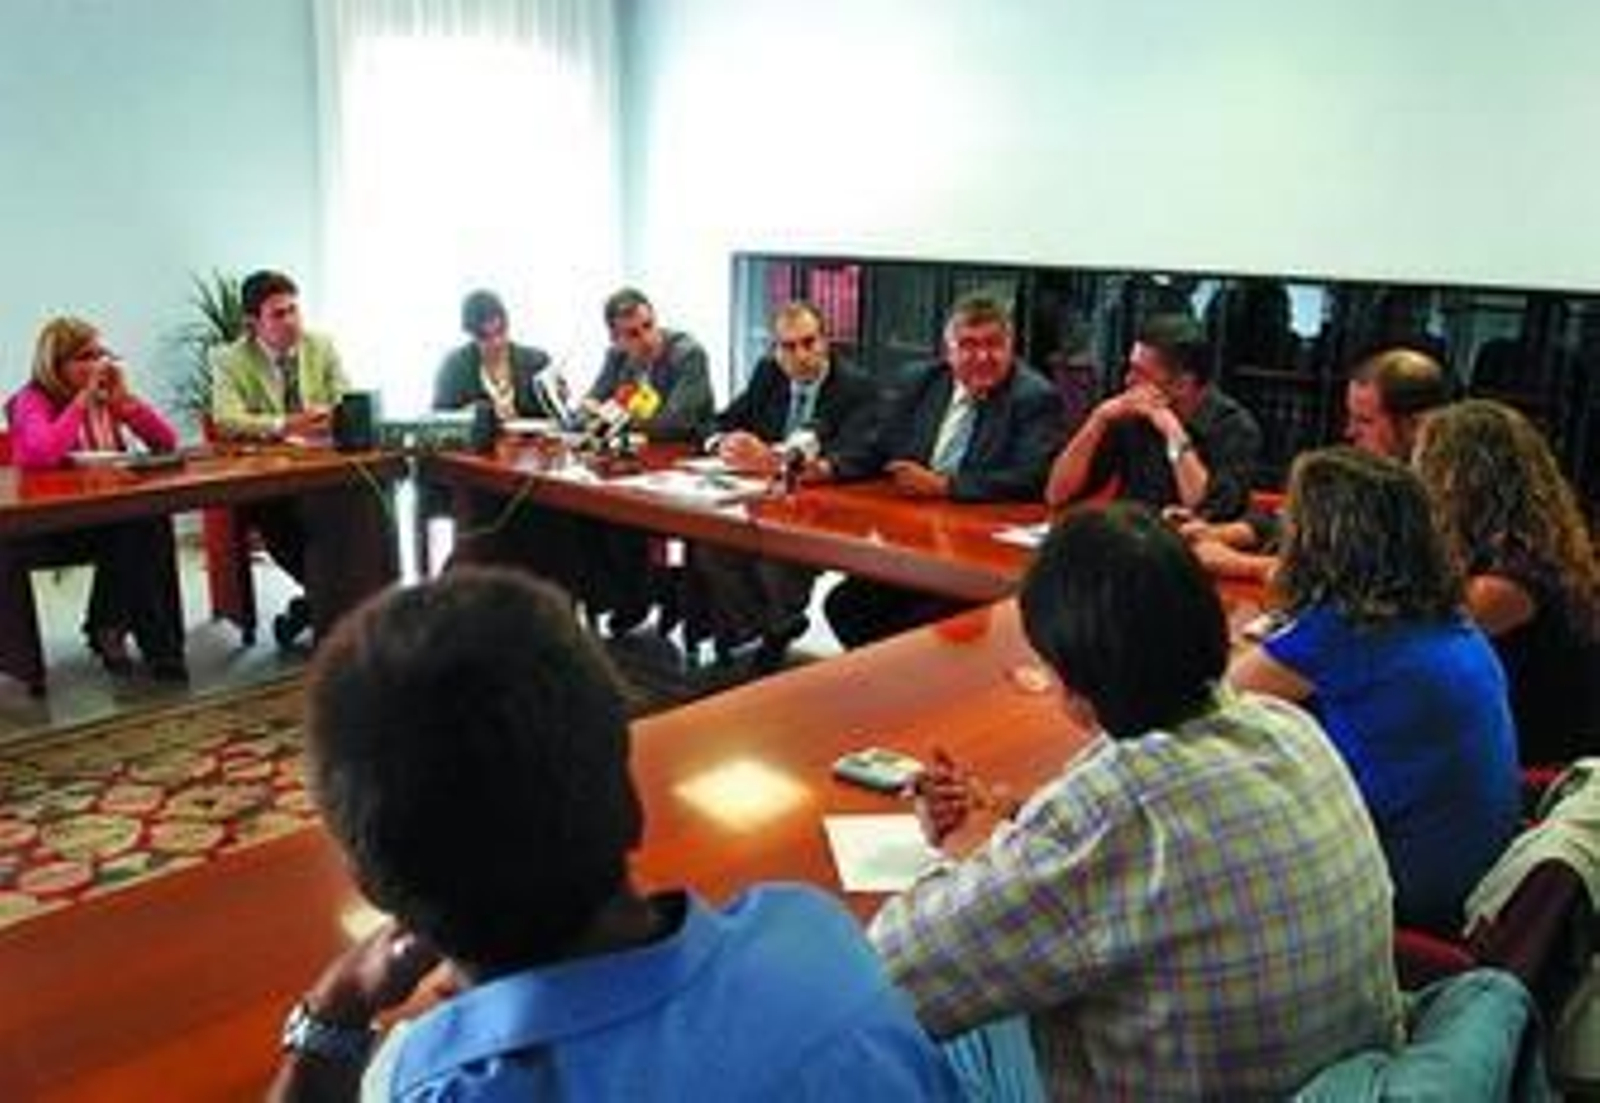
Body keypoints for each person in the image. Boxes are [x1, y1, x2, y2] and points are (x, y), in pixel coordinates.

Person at [269, 568, 957, 1102]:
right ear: (632, 799)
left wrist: (338, 1005)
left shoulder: (434, 1082)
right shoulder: (815, 936)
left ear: (373, 886)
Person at [868, 504, 1403, 1098]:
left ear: (1069, 683)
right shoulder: (1290, 728)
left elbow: (889, 973)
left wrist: (964, 858)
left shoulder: (1114, 807)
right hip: (1345, 1076)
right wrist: (990, 837)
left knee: (922, 1025)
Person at [1227, 447, 1520, 932]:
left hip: (1407, 902)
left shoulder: (1346, 633)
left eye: (1292, 523)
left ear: (1318, 542)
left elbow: (1212, 697)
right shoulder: (1443, 616)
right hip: (1475, 872)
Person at [823, 292, 1065, 648]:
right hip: (913, 535)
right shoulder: (919, 381)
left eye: (994, 344)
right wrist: (825, 468)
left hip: (979, 551)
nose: (982, 356)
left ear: (1011, 345)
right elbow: (877, 444)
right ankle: (891, 690)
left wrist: (946, 486)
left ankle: (916, 690)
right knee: (845, 605)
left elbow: (1033, 477)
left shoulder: (1033, 397)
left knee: (921, 627)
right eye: (968, 345)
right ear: (947, 350)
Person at [692, 301, 878, 670]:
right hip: (761, 497)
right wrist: (722, 444)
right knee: (712, 546)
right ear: (776, 351)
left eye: (809, 342)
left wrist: (778, 462)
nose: (801, 355)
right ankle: (774, 626)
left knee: (776, 561)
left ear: (826, 342)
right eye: (788, 347)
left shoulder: (856, 387)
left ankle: (773, 631)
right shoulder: (768, 374)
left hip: (824, 505)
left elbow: (857, 457)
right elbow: (719, 420)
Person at [1415, 399, 1600, 765]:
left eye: (1423, 470)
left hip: (1534, 776)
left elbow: (1400, 639)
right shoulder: (1532, 554)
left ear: (1456, 482)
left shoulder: (1510, 583)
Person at [3, 317, 186, 679]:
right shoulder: (32, 399)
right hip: (50, 524)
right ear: (55, 365)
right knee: (138, 529)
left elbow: (166, 441)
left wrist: (126, 403)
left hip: (107, 515)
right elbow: (43, 455)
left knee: (148, 520)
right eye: (85, 357)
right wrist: (80, 402)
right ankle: (134, 638)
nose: (98, 364)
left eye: (101, 354)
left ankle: (144, 641)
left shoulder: (109, 394)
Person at [1182, 346, 1450, 583]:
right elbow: (1287, 520)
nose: (1349, 432)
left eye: (1365, 421)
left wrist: (1237, 564)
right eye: (1351, 417)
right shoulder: (1368, 474)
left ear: (1416, 426)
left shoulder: (1444, 496)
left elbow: (1359, 580)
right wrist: (1219, 533)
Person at [210, 269, 350, 649]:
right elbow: (226, 418)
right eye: (278, 314)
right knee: (279, 515)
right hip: (269, 474)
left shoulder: (319, 345)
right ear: (253, 323)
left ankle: (325, 604)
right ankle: (333, 604)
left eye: (294, 310)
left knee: (358, 508)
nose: (291, 322)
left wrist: (332, 415)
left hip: (322, 463)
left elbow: (346, 397)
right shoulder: (229, 359)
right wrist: (285, 423)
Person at [1045, 312, 1262, 520]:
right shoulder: (1129, 414)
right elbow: (1057, 494)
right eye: (1129, 368)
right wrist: (1097, 419)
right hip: (1130, 537)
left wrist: (1172, 430)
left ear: (1182, 384)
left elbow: (1207, 511)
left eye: (1140, 373)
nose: (1128, 381)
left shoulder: (1235, 428)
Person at [432, 289, 564, 421]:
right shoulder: (454, 367)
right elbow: (438, 419)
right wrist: (482, 413)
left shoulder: (537, 361)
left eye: (501, 331)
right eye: (485, 337)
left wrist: (561, 398)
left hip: (534, 441)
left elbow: (557, 415)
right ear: (470, 334)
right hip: (478, 441)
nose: (497, 342)